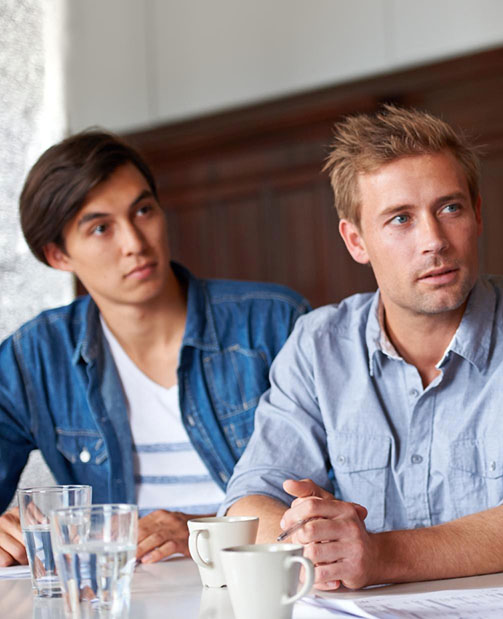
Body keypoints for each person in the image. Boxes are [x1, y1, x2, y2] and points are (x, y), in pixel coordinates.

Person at [223, 105, 503, 590]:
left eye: (450, 208)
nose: (434, 241)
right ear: (356, 240)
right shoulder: (317, 345)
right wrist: (308, 543)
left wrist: (377, 554)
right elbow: (247, 501)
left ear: (477, 214)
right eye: (400, 219)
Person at [0, 131, 310, 567]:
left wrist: (203, 531)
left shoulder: (273, 323)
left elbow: (344, 492)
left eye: (143, 211)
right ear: (58, 256)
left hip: (264, 582)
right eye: (101, 227)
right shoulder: (34, 357)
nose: (135, 242)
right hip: (124, 596)